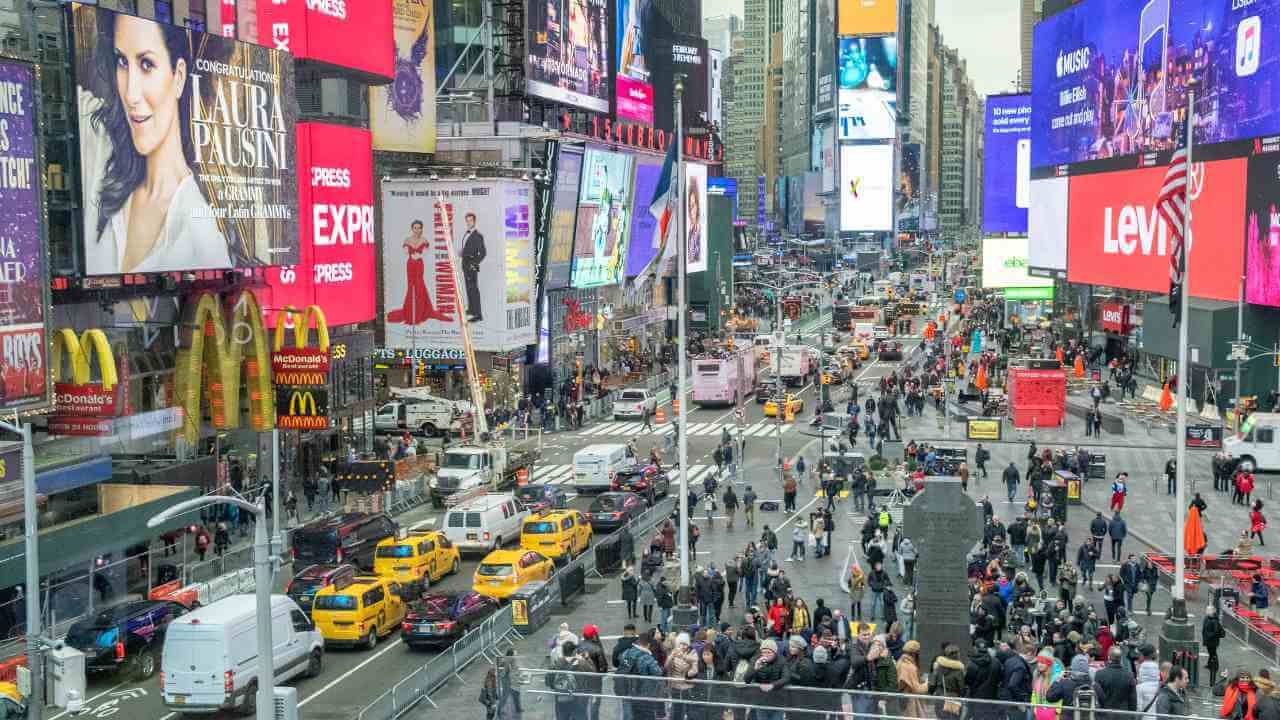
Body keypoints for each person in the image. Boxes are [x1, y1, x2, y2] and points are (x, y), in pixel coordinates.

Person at [1095, 646, 1137, 715]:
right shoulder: (1129, 675)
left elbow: (1097, 698)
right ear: (1120, 659)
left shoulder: (1099, 674)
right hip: (1123, 714)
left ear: (1109, 657)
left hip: (1105, 715)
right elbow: (1133, 700)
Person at [1203, 606, 1225, 678]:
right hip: (1209, 640)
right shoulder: (1207, 618)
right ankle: (1210, 664)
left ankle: (1215, 665)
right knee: (1211, 652)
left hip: (1212, 641)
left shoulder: (1214, 620)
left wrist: (1208, 635)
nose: (1206, 611)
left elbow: (1215, 631)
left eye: (1207, 610)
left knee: (1213, 653)